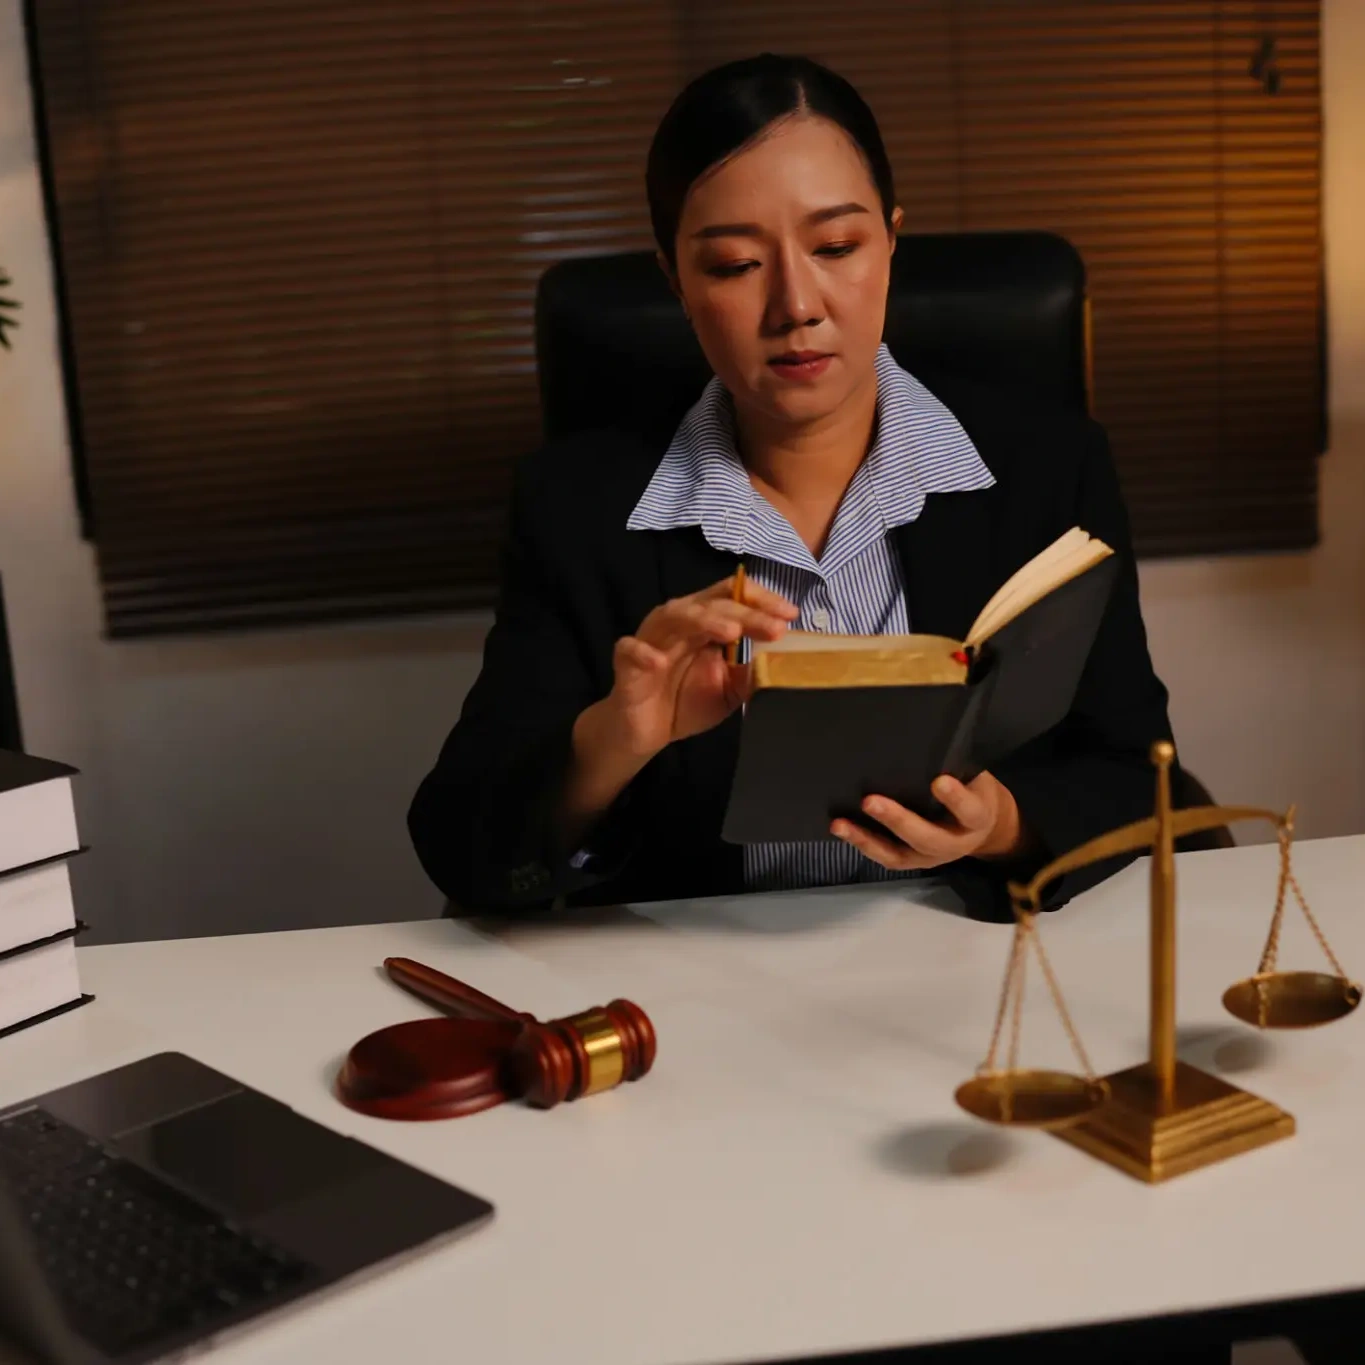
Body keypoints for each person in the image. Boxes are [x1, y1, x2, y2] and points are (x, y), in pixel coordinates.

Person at [408, 52, 1176, 921]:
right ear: (676, 282)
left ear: (890, 241)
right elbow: (461, 850)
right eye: (735, 264)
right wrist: (614, 739)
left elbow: (1141, 775)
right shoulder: (578, 509)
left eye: (837, 246)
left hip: (970, 967)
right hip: (702, 998)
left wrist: (1000, 825)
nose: (796, 305)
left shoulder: (1046, 466)